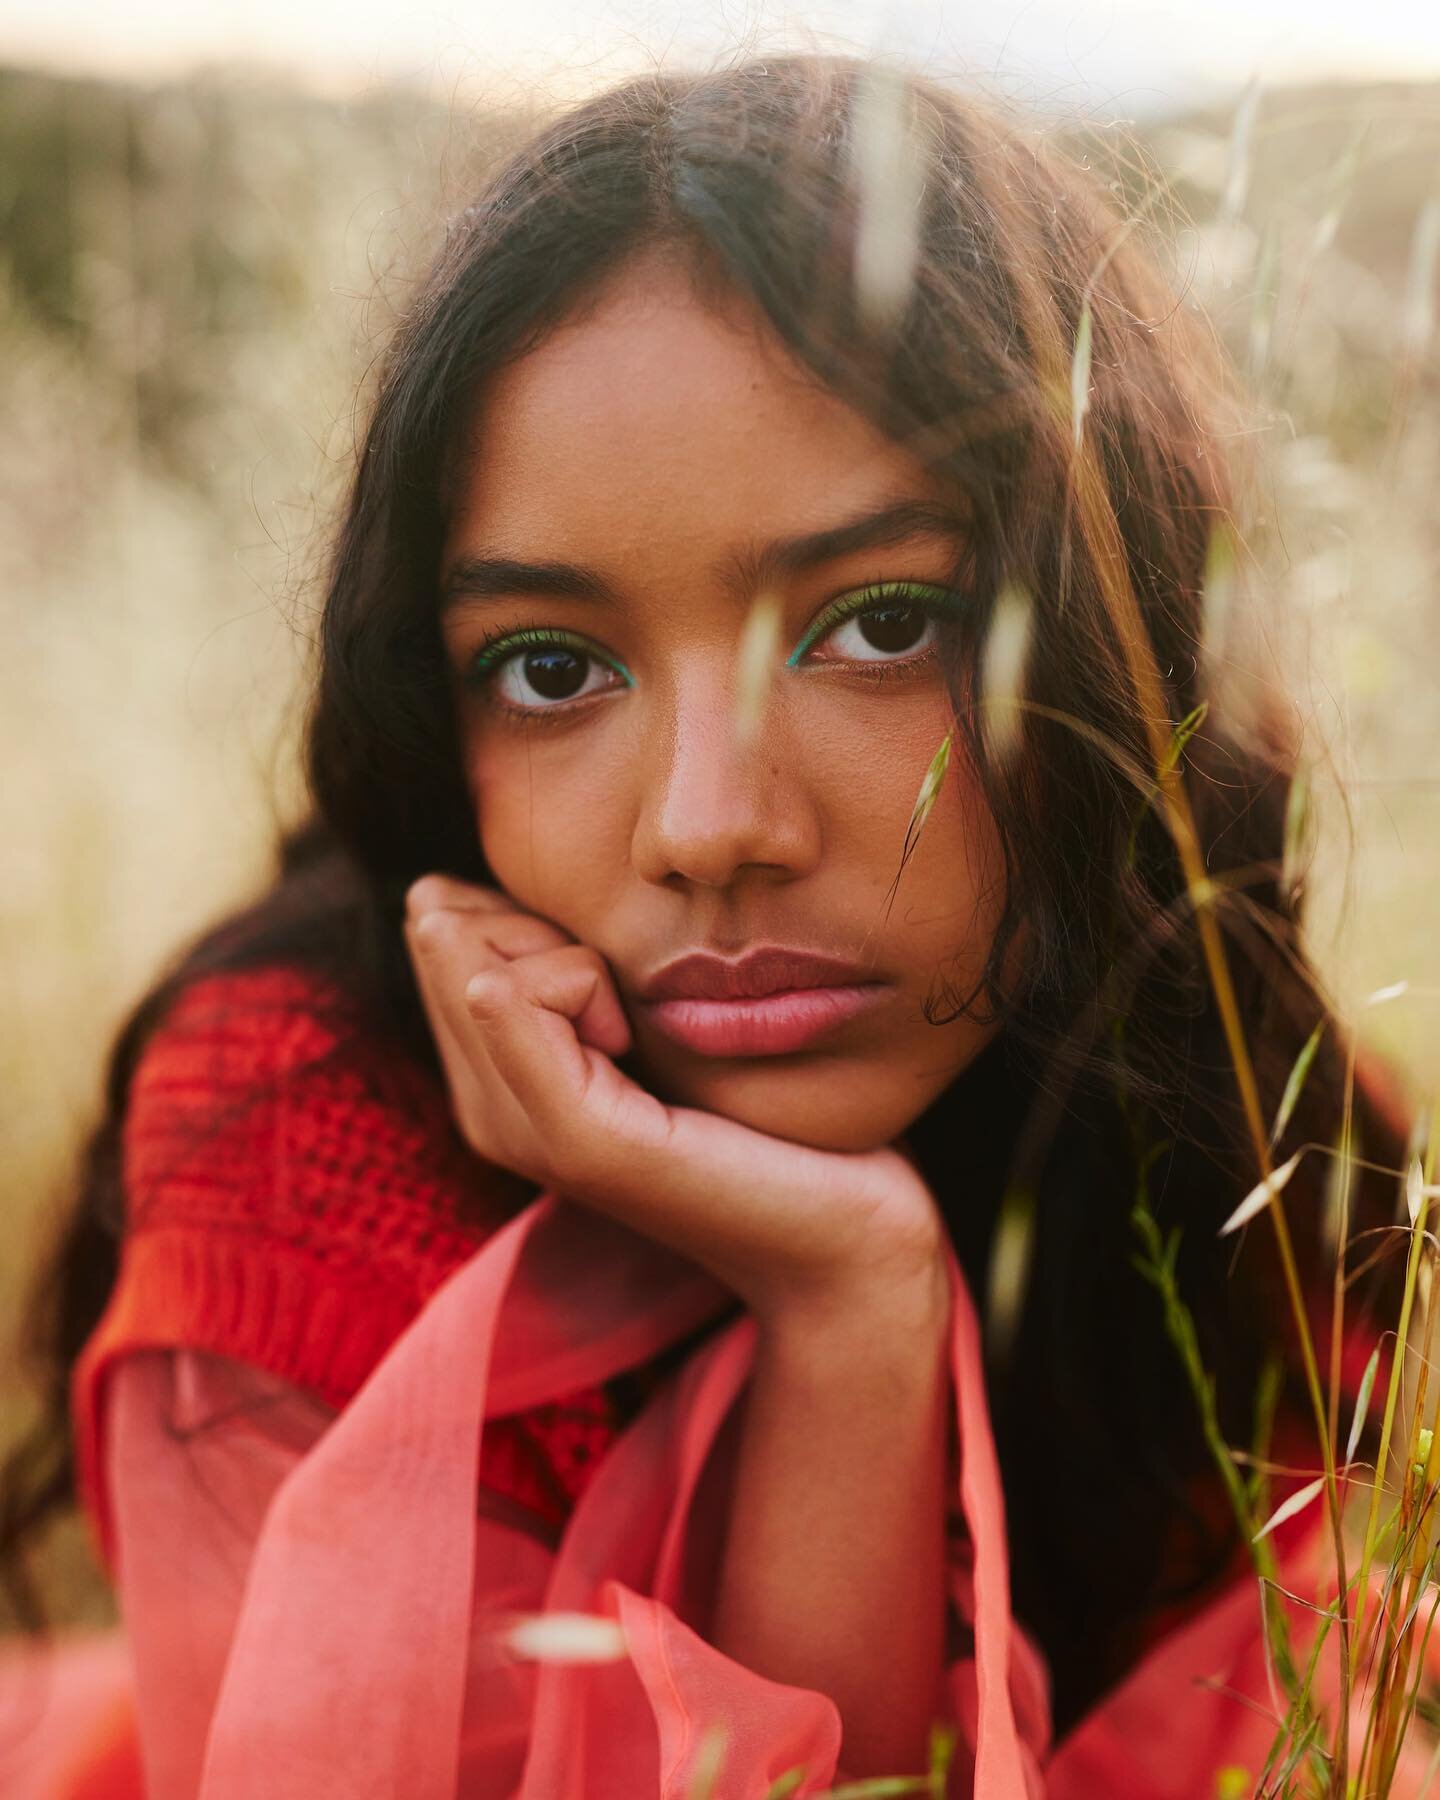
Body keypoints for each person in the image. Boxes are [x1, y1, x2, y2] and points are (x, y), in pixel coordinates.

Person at [0, 50, 1420, 1799]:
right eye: (551, 668)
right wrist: (853, 1304)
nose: (708, 827)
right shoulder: (299, 1133)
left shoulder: (1255, 1143)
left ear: (1106, 645)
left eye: (881, 625)